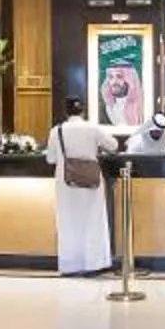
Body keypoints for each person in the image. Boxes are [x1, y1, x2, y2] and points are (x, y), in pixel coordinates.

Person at [46, 102, 116, 276]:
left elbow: (50, 159)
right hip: (91, 181)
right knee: (93, 221)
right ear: (83, 111)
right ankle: (93, 264)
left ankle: (70, 265)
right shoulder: (92, 128)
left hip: (66, 183)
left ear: (66, 112)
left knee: (68, 222)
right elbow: (113, 145)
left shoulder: (57, 131)